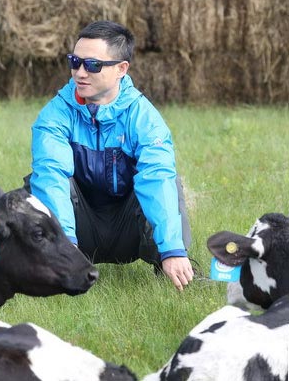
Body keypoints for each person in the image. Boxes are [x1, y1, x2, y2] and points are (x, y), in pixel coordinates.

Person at [28, 20, 193, 291]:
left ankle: (174, 265)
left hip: (128, 226)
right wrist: (64, 244)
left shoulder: (145, 118)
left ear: (121, 69)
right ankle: (49, 263)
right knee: (34, 186)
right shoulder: (55, 114)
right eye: (74, 61)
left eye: (92, 65)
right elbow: (51, 175)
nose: (80, 72)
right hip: (79, 226)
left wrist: (173, 248)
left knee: (169, 184)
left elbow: (157, 178)